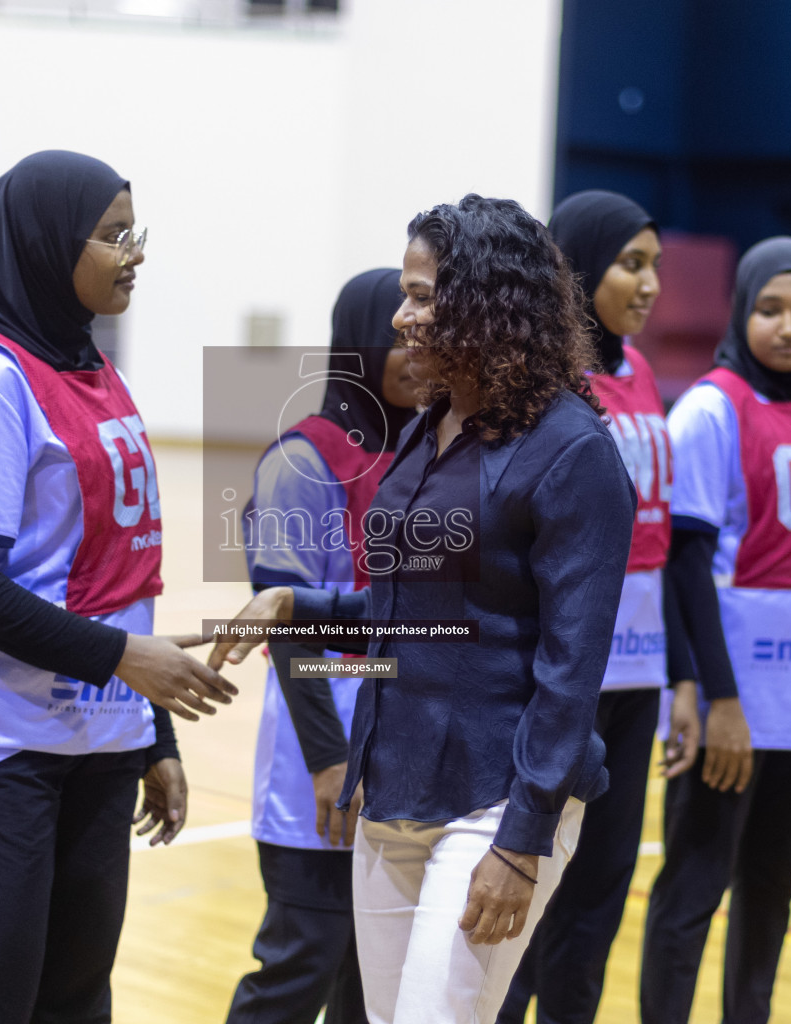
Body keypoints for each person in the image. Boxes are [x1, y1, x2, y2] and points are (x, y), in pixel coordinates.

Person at [210, 193, 635, 1024]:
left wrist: (522, 839)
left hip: (496, 796)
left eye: (421, 294)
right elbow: (417, 610)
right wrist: (301, 603)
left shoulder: (573, 450)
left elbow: (572, 669)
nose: (402, 317)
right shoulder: (431, 427)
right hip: (396, 781)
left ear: (487, 303)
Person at [0, 151, 237, 1024]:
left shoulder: (91, 369)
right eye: (114, 235)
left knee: (75, 1006)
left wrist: (149, 734)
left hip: (94, 746)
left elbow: (122, 581)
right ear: (49, 245)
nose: (135, 253)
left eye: (136, 234)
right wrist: (124, 661)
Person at [637, 237, 791, 1024]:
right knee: (695, 889)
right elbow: (683, 566)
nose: (788, 326)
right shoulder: (711, 407)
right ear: (743, 312)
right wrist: (719, 700)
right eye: (770, 309)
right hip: (735, 699)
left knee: (772, 891)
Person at [499, 189, 696, 1024]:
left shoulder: (642, 372)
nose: (650, 284)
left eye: (655, 265)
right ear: (577, 269)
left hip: (640, 669)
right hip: (565, 670)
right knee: (532, 880)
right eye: (631, 263)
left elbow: (666, 546)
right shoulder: (545, 382)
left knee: (602, 889)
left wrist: (684, 676)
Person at [225, 268, 417, 1024]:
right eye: (396, 338)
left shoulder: (430, 454)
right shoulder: (302, 460)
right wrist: (329, 759)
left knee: (372, 985)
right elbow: (287, 628)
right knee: (299, 967)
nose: (415, 351)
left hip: (403, 753)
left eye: (425, 336)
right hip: (325, 758)